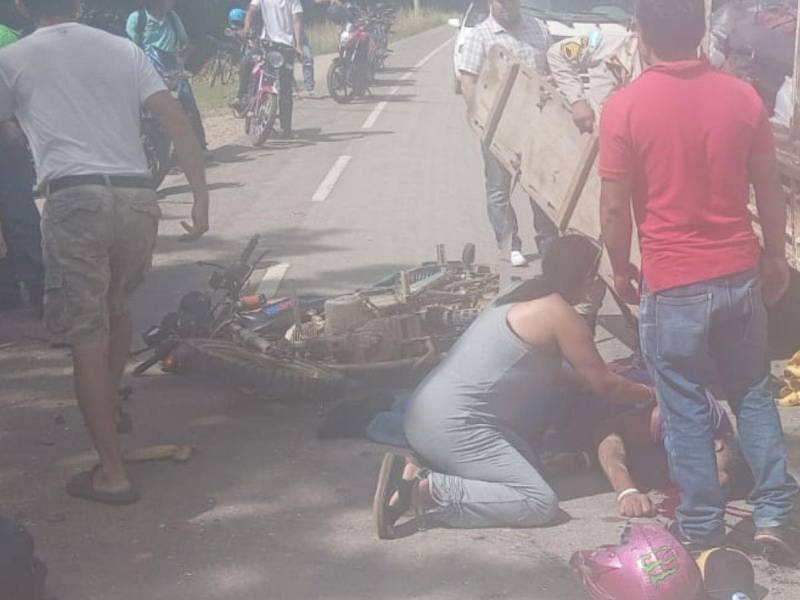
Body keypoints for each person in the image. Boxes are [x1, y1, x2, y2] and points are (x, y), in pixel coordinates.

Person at [599, 0, 799, 557]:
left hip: (673, 281)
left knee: (685, 406)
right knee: (753, 395)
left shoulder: (625, 107)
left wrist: (619, 267)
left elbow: (613, 210)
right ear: (701, 32)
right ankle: (775, 516)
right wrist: (775, 258)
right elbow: (769, 188)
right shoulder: (741, 97)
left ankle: (703, 527)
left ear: (641, 33)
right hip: (738, 273)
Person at [1, 0, 210, 505]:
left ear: (25, 6)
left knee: (85, 335)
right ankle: (110, 402)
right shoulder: (124, 49)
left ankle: (111, 473)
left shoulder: (12, 59)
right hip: (137, 196)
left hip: (76, 199)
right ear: (78, 3)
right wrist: (201, 198)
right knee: (117, 309)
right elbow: (175, 116)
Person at [373, 235, 654, 536]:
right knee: (537, 501)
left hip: (425, 415)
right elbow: (607, 387)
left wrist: (594, 374)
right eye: (593, 278)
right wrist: (653, 394)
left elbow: (548, 369)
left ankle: (423, 469)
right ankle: (421, 490)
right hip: (453, 427)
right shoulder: (559, 313)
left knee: (529, 467)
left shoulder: (519, 293)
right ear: (585, 277)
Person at [457, 0, 558, 268]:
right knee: (499, 189)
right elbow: (467, 81)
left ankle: (549, 244)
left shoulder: (538, 29)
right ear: (492, 3)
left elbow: (551, 70)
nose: (508, 8)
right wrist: (483, 116)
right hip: (498, 126)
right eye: (503, 4)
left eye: (512, 3)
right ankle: (509, 244)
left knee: (541, 188)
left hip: (537, 124)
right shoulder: (480, 36)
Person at [126, 0, 209, 152]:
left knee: (188, 104)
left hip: (172, 69)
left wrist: (181, 63)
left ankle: (200, 146)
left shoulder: (172, 18)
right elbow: (134, 47)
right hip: (148, 71)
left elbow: (185, 42)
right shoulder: (137, 19)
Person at [0, 24, 43, 312]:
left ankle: (38, 287)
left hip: (6, 139)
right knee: (18, 216)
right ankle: (11, 287)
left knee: (19, 216)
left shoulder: (6, 38)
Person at [233, 0, 304, 139]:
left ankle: (286, 128)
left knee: (285, 88)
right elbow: (251, 9)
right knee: (246, 62)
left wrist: (298, 45)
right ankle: (240, 98)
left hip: (286, 47)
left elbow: (297, 20)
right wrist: (246, 28)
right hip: (267, 43)